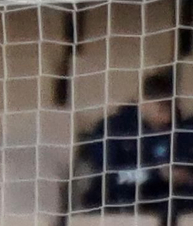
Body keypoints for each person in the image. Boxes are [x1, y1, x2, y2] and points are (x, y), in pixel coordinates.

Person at [74, 69, 191, 213]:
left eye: (170, 107)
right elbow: (110, 177)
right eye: (161, 108)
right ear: (143, 102)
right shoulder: (112, 129)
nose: (167, 116)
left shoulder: (182, 132)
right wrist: (156, 174)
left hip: (168, 207)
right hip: (116, 206)